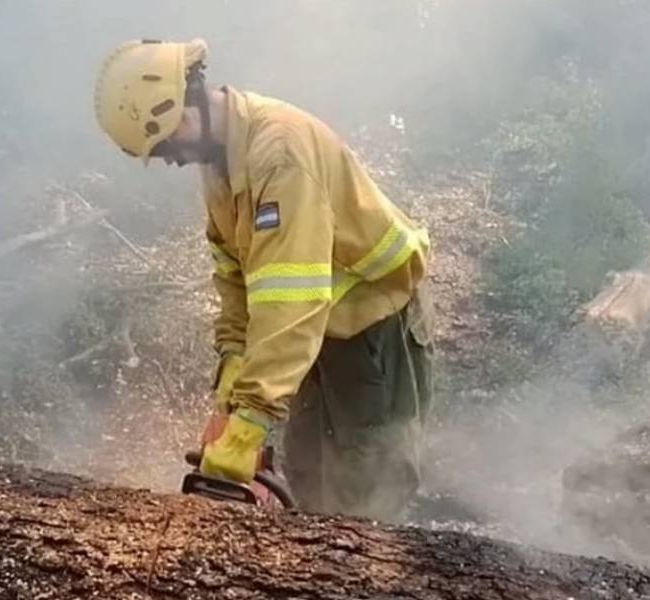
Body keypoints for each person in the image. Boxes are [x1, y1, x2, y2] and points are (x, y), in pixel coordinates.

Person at [93, 38, 435, 521]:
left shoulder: (279, 153)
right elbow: (234, 278)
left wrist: (251, 418)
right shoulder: (221, 164)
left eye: (167, 145)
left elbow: (293, 299)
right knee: (308, 470)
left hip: (373, 323)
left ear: (184, 113)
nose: (172, 160)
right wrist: (230, 386)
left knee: (366, 486)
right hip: (314, 333)